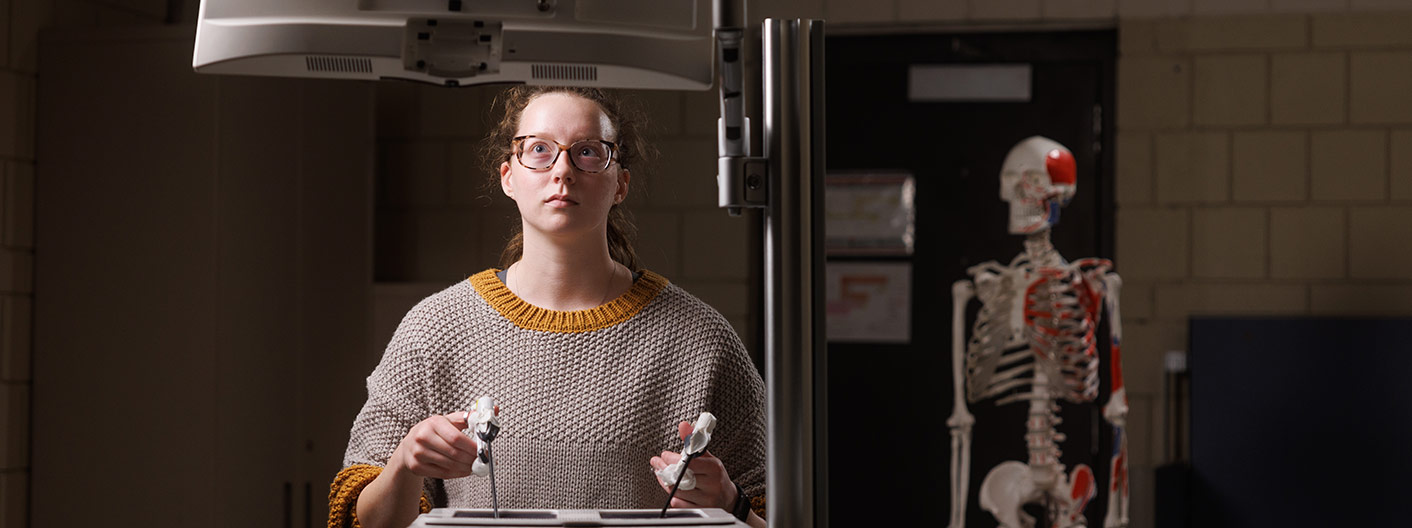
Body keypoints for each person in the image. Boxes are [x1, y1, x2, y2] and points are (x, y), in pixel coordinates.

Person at [328, 86, 768, 528]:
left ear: (621, 183)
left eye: (588, 152)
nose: (563, 170)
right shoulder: (435, 328)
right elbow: (358, 521)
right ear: (508, 177)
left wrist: (732, 502)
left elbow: (776, 512)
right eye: (539, 149)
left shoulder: (701, 339)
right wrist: (405, 462)